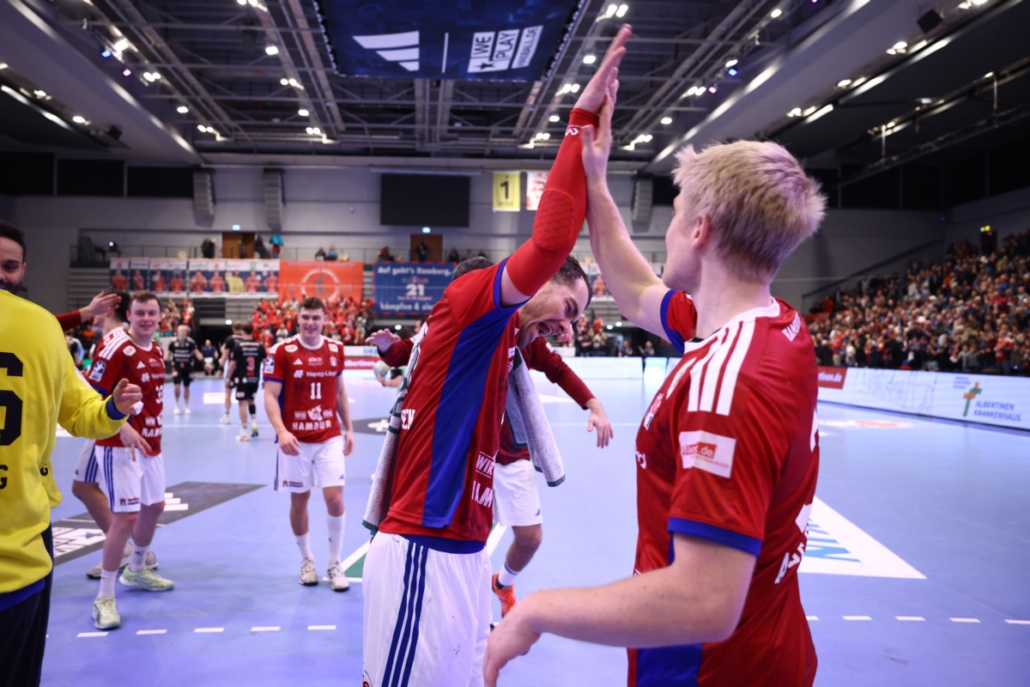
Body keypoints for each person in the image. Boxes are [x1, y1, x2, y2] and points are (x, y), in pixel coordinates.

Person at [484, 39, 826, 686]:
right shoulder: (773, 327)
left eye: (675, 215)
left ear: (699, 230)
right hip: (768, 652)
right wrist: (594, 178)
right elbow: (636, 289)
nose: (667, 229)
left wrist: (537, 612)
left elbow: (706, 601)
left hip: (711, 672)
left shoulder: (729, 382)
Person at [361, 26, 629, 687]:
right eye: (569, 308)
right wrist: (578, 126)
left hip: (462, 550)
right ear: (539, 283)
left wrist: (598, 175)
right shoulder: (479, 305)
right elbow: (552, 239)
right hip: (422, 545)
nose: (568, 328)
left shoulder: (509, 337)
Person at [0, 270, 140, 686]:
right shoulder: (42, 325)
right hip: (22, 543)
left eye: (10, 264)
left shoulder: (41, 328)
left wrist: (114, 409)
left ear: (24, 269)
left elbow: (81, 409)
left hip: (24, 534)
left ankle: (135, 561)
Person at [85, 291, 176, 631]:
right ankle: (104, 597)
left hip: (151, 443)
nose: (147, 319)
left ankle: (136, 569)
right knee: (125, 518)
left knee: (155, 506)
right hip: (118, 444)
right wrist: (121, 427)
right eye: (140, 313)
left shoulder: (156, 349)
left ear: (160, 317)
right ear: (130, 315)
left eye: (152, 313)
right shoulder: (115, 345)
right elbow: (91, 392)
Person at [263, 297, 355, 591]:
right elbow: (269, 395)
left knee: (335, 499)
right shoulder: (281, 351)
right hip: (295, 441)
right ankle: (307, 560)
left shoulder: (336, 349)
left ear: (325, 319)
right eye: (306, 317)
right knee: (299, 501)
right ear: (298, 318)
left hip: (329, 436)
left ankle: (335, 562)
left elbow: (340, 393)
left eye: (316, 318)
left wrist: (349, 428)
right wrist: (281, 431)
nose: (310, 323)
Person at [226, 323, 266, 441]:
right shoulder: (260, 346)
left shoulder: (239, 346)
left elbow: (231, 365)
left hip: (242, 378)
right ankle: (254, 423)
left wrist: (228, 378)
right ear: (253, 332)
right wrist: (266, 379)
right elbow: (266, 363)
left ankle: (244, 432)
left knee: (242, 404)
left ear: (242, 332)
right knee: (251, 400)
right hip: (255, 378)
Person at [166, 325, 204, 414]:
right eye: (181, 331)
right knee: (177, 386)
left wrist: (204, 363)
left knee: (187, 387)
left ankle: (186, 405)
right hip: (176, 367)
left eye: (184, 331)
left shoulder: (191, 342)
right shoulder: (173, 342)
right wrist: (163, 361)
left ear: (186, 332)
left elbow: (197, 353)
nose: (182, 332)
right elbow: (167, 354)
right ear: (178, 332)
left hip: (188, 368)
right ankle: (177, 404)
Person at [219, 322, 244, 424]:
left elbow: (225, 355)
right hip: (244, 370)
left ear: (233, 329)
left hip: (232, 369)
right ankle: (243, 419)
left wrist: (220, 368)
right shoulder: (246, 339)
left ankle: (226, 416)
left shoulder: (230, 339)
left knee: (228, 392)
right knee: (243, 396)